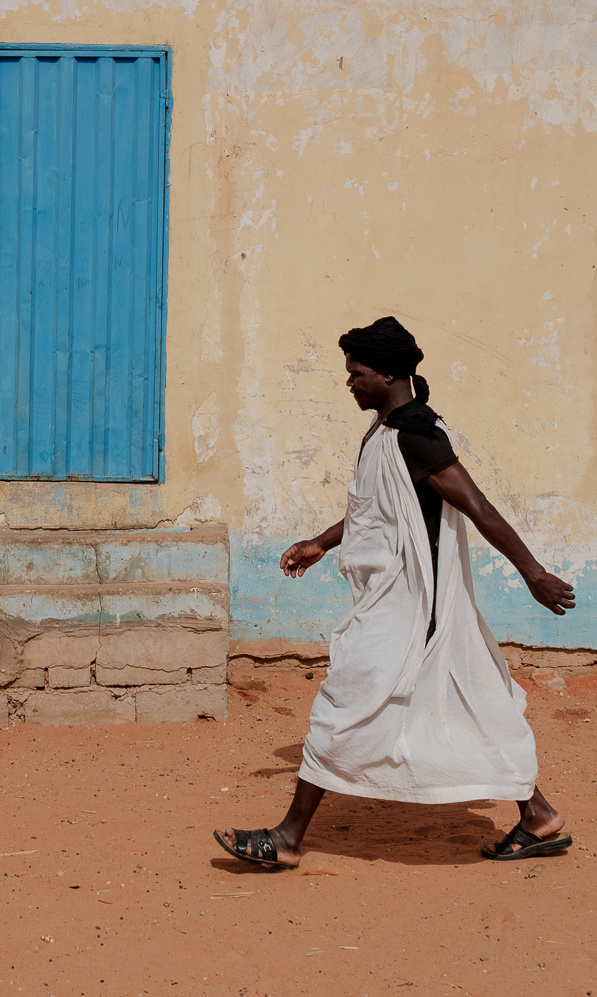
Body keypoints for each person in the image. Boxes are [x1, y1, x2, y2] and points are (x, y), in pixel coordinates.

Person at [215, 316, 577, 868]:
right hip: (390, 597)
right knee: (468, 703)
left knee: (343, 700)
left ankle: (287, 838)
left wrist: (532, 572)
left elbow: (477, 506)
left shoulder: (417, 435)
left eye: (356, 373)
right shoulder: (386, 432)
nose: (350, 382)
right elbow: (375, 510)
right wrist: (322, 542)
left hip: (413, 605)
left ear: (388, 373)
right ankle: (538, 816)